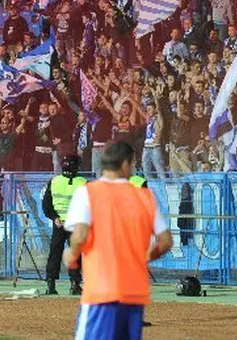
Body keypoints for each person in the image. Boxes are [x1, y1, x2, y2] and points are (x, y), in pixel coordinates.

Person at [63, 140, 173, 339]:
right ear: (125, 163)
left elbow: (79, 236)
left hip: (101, 290)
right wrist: (143, 257)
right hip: (135, 292)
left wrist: (71, 254)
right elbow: (165, 241)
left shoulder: (88, 192)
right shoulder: (144, 196)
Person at [43, 153, 86, 296]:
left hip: (59, 224)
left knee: (55, 253)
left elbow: (46, 204)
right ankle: (75, 284)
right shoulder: (83, 183)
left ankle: (51, 284)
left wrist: (54, 217)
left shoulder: (54, 181)